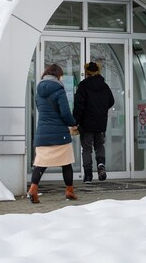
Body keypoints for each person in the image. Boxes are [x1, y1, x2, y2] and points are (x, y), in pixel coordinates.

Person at [28, 63, 79, 203]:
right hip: (60, 134)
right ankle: (69, 191)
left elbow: (41, 110)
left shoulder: (38, 91)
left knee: (41, 163)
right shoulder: (59, 90)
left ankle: (33, 189)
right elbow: (65, 113)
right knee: (66, 163)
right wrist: (73, 123)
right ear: (58, 75)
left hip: (43, 133)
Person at [73, 61, 115, 183]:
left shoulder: (83, 86)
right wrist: (101, 109)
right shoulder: (104, 86)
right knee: (99, 146)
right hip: (101, 123)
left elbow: (79, 105)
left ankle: (88, 175)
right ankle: (101, 165)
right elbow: (111, 101)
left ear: (87, 73)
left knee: (87, 149)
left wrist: (75, 121)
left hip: (86, 124)